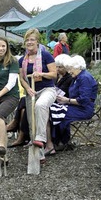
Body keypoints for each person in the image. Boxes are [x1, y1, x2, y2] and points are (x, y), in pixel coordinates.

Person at [19, 28, 57, 163]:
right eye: (27, 40)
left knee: (40, 106)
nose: (29, 42)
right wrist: (27, 88)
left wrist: (41, 74)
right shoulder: (22, 60)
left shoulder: (46, 56)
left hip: (47, 89)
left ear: (37, 42)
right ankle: (40, 154)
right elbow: (22, 78)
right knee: (32, 122)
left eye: (32, 39)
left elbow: (54, 74)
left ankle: (40, 138)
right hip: (32, 92)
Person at [47, 55, 98, 153]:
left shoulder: (84, 78)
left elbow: (84, 100)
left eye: (70, 69)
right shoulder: (77, 77)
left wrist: (67, 100)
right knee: (50, 108)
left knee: (54, 112)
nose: (69, 71)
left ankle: (59, 141)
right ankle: (57, 141)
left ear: (78, 67)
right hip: (76, 107)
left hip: (84, 109)